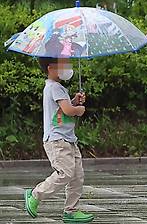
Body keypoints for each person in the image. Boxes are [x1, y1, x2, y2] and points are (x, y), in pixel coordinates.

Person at [24, 57, 94, 223]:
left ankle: (71, 210)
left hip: (68, 139)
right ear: (50, 68)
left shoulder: (58, 88)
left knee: (77, 175)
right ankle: (35, 194)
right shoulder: (54, 87)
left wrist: (74, 101)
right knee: (66, 173)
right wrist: (78, 109)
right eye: (62, 65)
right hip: (57, 141)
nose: (66, 68)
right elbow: (68, 111)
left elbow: (61, 110)